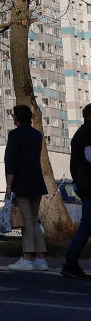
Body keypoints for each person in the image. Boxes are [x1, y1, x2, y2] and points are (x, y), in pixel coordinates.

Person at [4, 103, 49, 272]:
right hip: (37, 182)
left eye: (13, 115)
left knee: (27, 221)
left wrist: (9, 185)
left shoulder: (14, 135)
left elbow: (11, 161)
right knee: (34, 219)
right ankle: (41, 259)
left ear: (17, 118)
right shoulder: (37, 135)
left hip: (21, 183)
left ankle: (27, 258)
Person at [62, 103, 91, 281]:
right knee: (87, 226)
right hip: (90, 186)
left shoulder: (82, 132)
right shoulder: (88, 132)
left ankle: (70, 263)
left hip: (85, 185)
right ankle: (70, 263)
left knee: (88, 225)